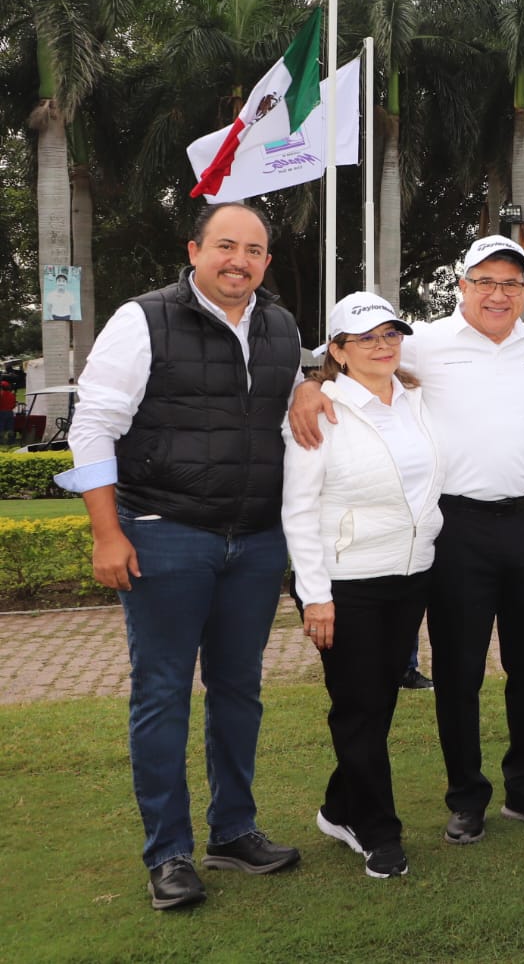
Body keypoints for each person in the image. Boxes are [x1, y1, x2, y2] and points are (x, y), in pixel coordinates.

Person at [56, 202, 303, 911]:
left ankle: (234, 831)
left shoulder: (282, 327)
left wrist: (315, 386)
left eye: (253, 250)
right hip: (166, 533)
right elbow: (93, 427)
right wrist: (108, 533)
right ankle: (168, 853)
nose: (239, 261)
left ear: (265, 262)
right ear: (195, 251)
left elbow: (289, 409)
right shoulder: (143, 319)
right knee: (162, 693)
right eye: (225, 246)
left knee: (239, 690)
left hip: (255, 540)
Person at [292, 237, 524, 845]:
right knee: (459, 668)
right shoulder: (424, 342)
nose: (498, 294)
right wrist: (310, 385)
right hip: (457, 526)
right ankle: (466, 796)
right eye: (485, 281)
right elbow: (357, 359)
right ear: (462, 286)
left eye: (511, 284)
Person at [281, 292, 444, 879]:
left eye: (391, 334)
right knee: (358, 707)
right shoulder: (320, 409)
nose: (382, 346)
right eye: (366, 338)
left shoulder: (417, 399)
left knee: (376, 704)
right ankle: (378, 832)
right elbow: (299, 510)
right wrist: (315, 595)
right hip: (346, 583)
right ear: (339, 350)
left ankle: (338, 807)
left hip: (410, 574)